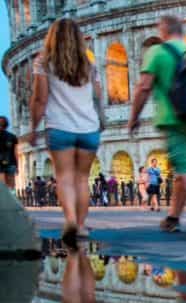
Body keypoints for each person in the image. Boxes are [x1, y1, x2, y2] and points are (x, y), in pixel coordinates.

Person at [128, 15, 186, 235]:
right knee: (184, 169)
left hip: (173, 117)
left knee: (184, 169)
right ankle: (173, 217)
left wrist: (134, 117)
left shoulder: (157, 52)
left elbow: (144, 86)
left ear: (163, 31)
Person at [28, 18, 105, 246]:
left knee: (64, 178)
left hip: (59, 127)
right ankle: (80, 226)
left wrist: (33, 127)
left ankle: (70, 220)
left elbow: (40, 99)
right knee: (82, 179)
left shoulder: (43, 62)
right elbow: (98, 96)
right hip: (88, 128)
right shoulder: (89, 63)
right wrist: (100, 119)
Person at [0, 116, 18, 190]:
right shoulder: (13, 136)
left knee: (2, 186)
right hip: (11, 163)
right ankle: (11, 200)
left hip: (0, 164)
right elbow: (15, 152)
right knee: (12, 187)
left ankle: (4, 201)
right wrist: (17, 166)